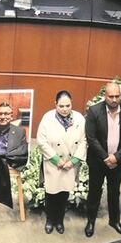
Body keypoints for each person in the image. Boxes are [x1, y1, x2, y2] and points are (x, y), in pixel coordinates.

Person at [84, 82, 121, 237]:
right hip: (98, 161)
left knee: (114, 191)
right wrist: (106, 157)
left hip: (118, 162)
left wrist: (117, 157)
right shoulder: (94, 111)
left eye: (117, 96)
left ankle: (114, 220)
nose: (114, 99)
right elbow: (91, 138)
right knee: (95, 191)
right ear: (105, 96)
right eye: (111, 96)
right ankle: (91, 221)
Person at [37, 91, 86, 234]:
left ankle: (59, 220)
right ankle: (50, 220)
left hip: (70, 163)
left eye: (68, 105)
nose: (64, 109)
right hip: (53, 162)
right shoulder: (47, 118)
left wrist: (74, 160)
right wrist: (56, 160)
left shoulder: (79, 118)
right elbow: (41, 141)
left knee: (64, 193)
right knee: (51, 193)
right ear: (55, 104)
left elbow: (84, 141)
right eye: (61, 106)